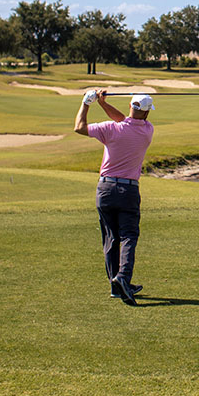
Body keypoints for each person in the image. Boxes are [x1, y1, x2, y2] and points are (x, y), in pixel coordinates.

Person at [74, 89, 155, 306]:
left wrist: (88, 103)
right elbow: (127, 121)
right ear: (147, 114)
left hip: (106, 189)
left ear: (130, 107)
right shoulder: (148, 130)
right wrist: (102, 103)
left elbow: (79, 127)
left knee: (111, 238)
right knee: (128, 235)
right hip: (128, 191)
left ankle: (115, 286)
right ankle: (123, 279)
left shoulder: (110, 129)